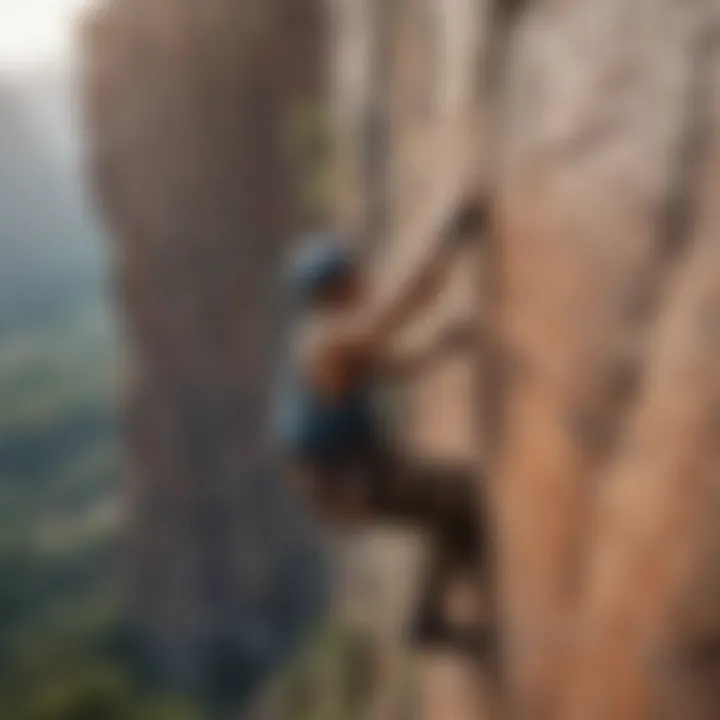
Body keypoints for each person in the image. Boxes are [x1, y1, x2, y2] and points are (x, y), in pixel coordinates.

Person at [275, 199, 490, 654]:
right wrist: (451, 236)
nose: (364, 275)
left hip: (352, 467)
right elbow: (404, 306)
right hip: (348, 479)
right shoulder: (329, 340)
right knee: (464, 496)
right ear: (340, 285)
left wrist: (445, 345)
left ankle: (434, 608)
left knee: (449, 505)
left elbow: (397, 367)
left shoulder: (335, 333)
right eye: (355, 271)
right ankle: (429, 620)